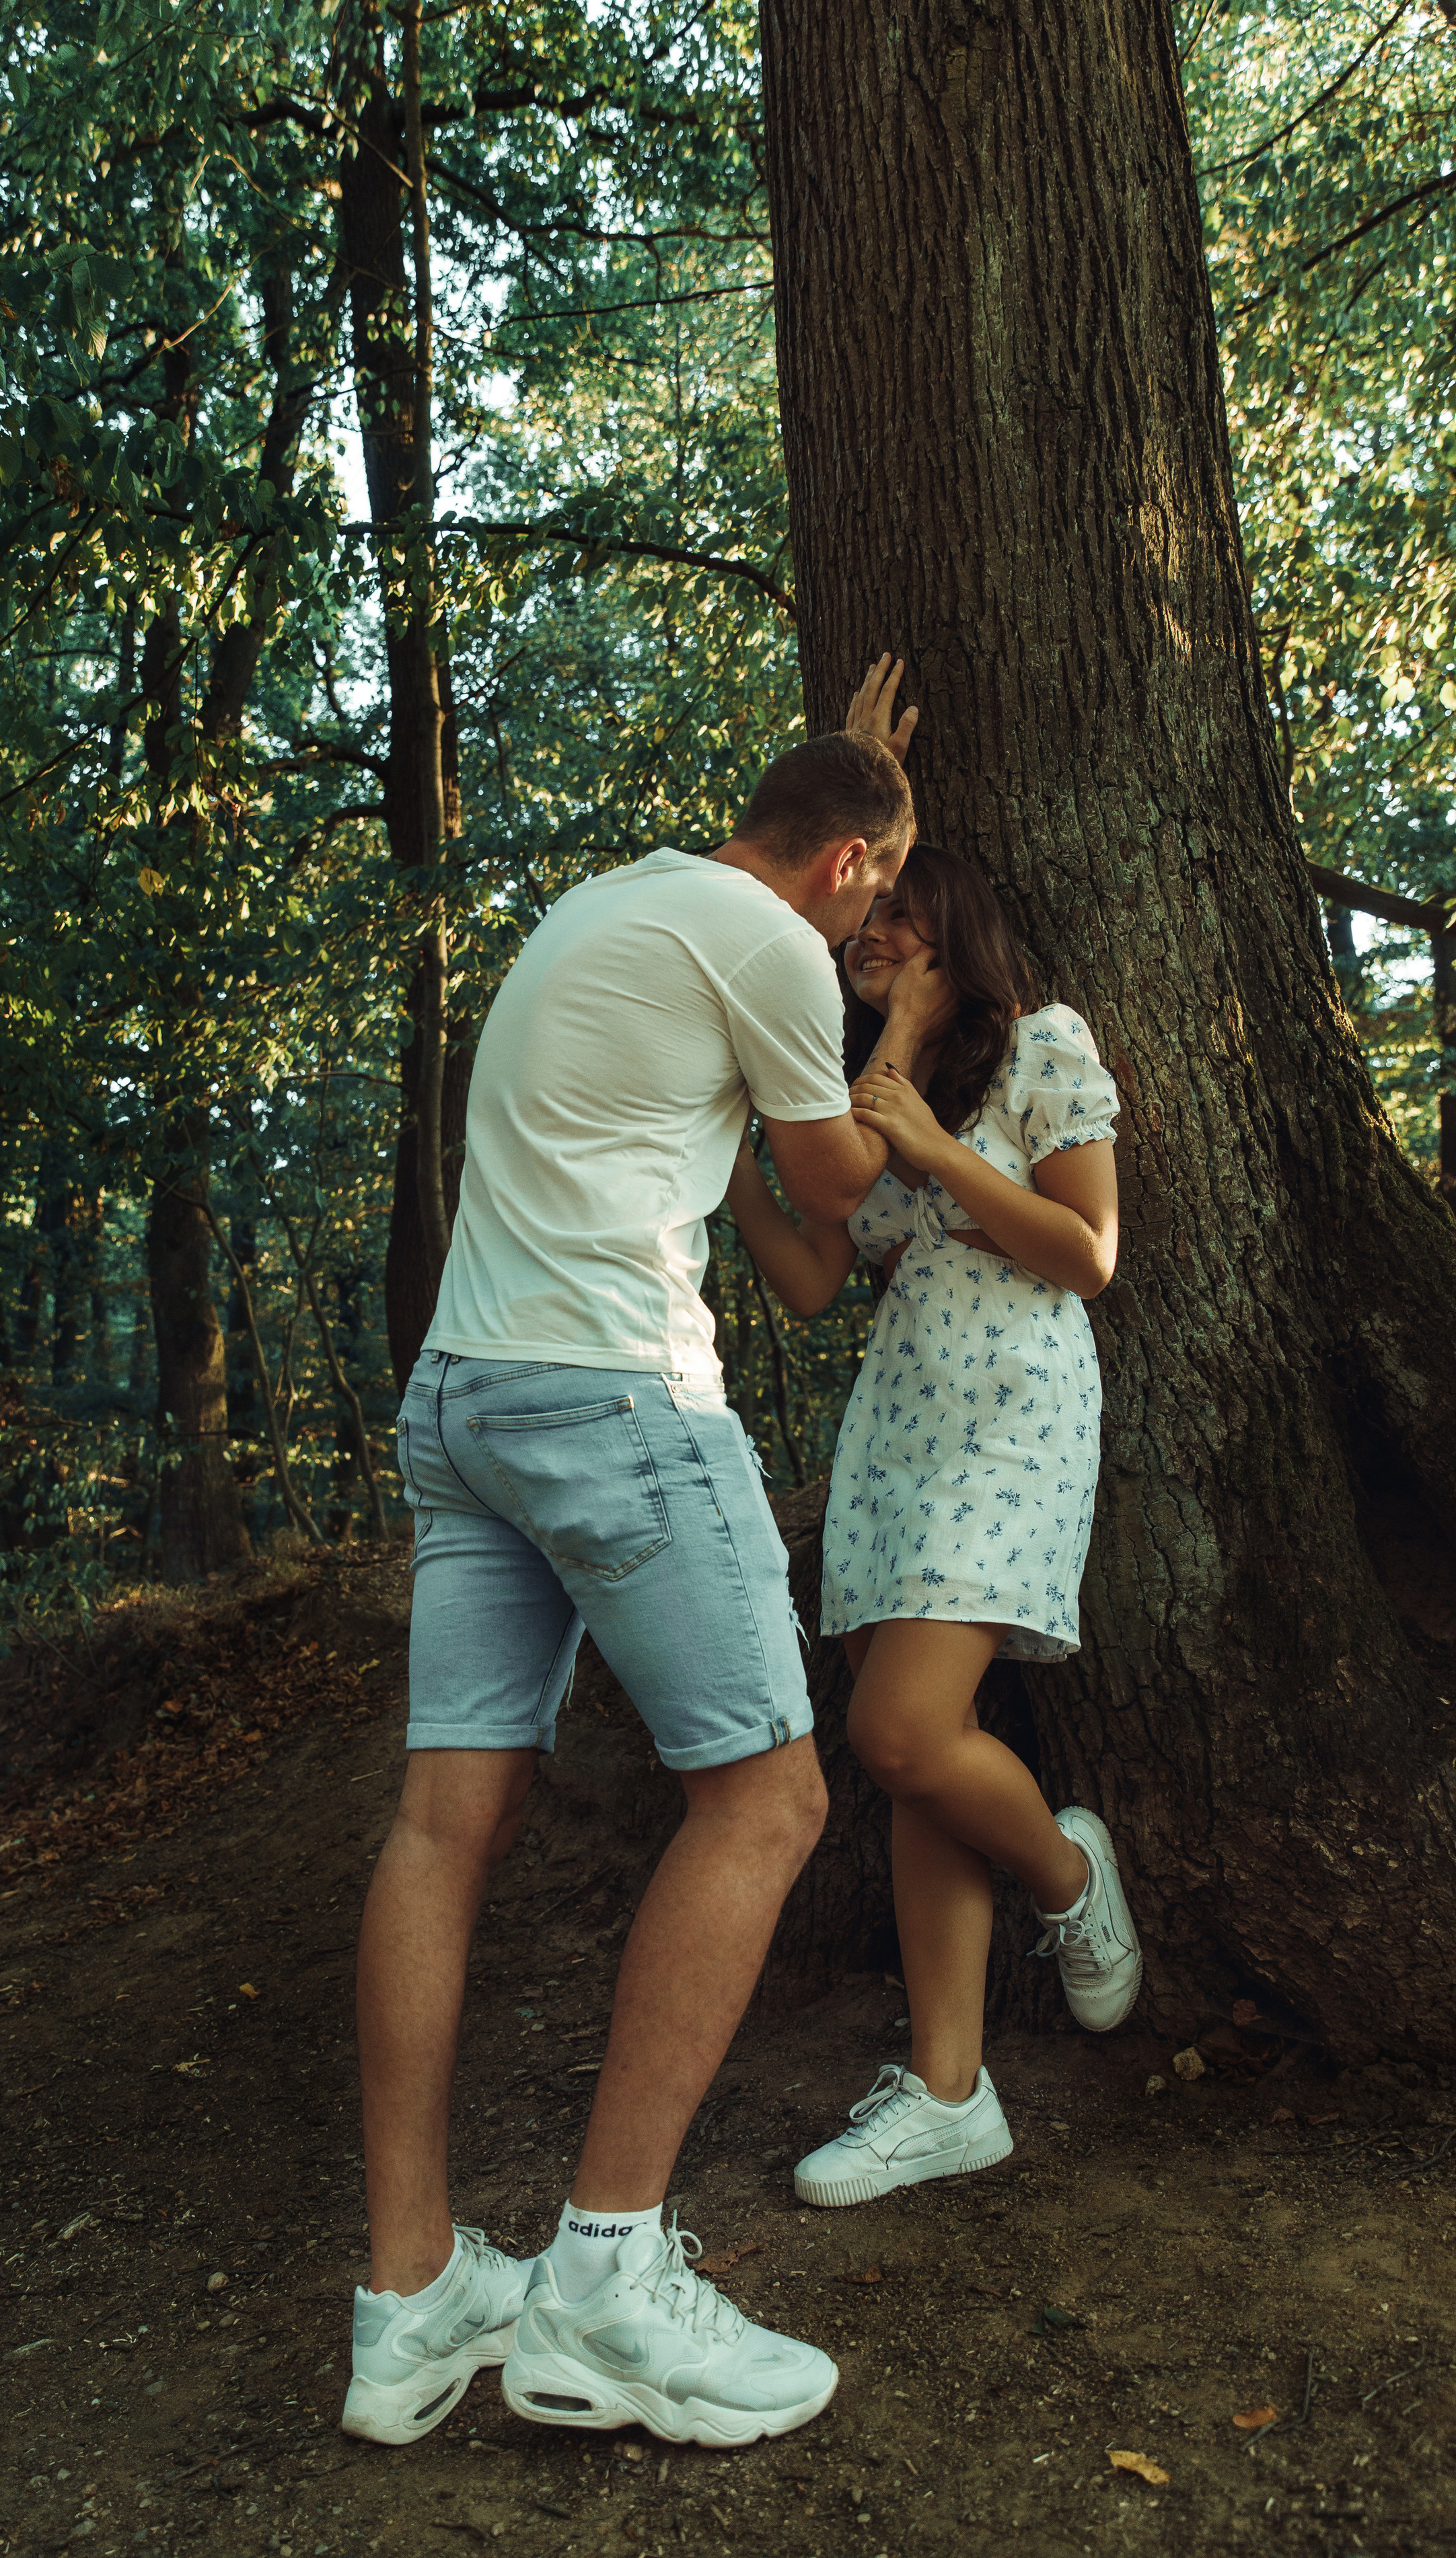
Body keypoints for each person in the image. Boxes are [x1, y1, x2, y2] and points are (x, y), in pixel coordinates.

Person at [344, 659, 927, 2450]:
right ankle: (606, 2278)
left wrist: (857, 794)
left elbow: (714, 1097)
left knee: (448, 1818)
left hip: (468, 1399)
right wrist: (892, 1037)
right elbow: (832, 1190)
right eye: (880, 903)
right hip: (610, 1397)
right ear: (842, 872)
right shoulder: (767, 941)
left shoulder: (614, 900)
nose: (877, 932)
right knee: (766, 1800)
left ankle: (412, 2296)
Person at [723, 844, 1141, 2212]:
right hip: (894, 1426)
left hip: (1013, 1411)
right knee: (915, 1762)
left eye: (899, 913)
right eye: (868, 912)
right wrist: (731, 1174)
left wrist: (934, 1148)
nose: (871, 928)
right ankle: (950, 2094)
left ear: (956, 935)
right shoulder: (868, 1092)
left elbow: (1086, 1255)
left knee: (895, 1734)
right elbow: (809, 1282)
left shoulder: (1041, 1045)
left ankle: (1066, 1877)